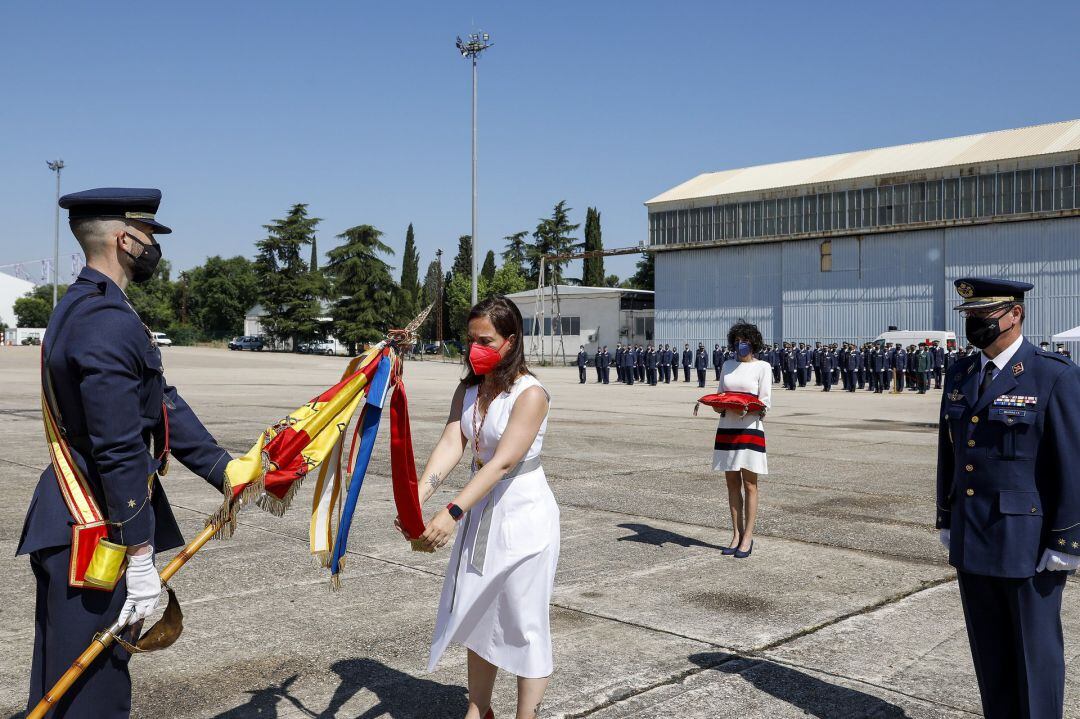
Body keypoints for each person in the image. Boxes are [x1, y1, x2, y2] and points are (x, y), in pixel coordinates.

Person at [19, 188, 233, 717]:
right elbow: (117, 447)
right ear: (125, 238)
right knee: (92, 692)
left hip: (83, 515)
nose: (155, 246)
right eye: (150, 236)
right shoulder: (106, 319)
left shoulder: (86, 304)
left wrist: (225, 470)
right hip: (96, 528)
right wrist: (139, 554)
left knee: (68, 677)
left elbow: (158, 401)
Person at [937, 277, 1079, 719]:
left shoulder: (1053, 374)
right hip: (972, 534)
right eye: (970, 317)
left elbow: (1072, 462)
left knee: (1034, 657)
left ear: (1015, 314)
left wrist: (1066, 540)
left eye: (985, 315)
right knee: (990, 654)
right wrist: (946, 515)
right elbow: (950, 450)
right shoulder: (961, 372)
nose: (976, 324)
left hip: (1026, 542)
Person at [415, 296, 559, 719]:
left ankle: (525, 715)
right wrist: (416, 497)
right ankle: (477, 710)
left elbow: (502, 461)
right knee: (478, 611)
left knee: (523, 619)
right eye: (471, 338)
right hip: (483, 510)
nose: (475, 347)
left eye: (486, 340)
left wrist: (451, 511)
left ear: (511, 341)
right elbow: (451, 443)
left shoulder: (530, 393)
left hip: (523, 514)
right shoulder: (469, 388)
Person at [712, 322, 771, 559]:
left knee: (750, 484)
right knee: (732, 483)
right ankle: (735, 534)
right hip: (727, 427)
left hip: (750, 428)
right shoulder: (727, 365)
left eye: (744, 340)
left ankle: (748, 537)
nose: (740, 345)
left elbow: (765, 402)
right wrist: (717, 405)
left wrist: (749, 407)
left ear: (753, 343)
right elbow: (719, 394)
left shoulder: (763, 367)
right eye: (736, 341)